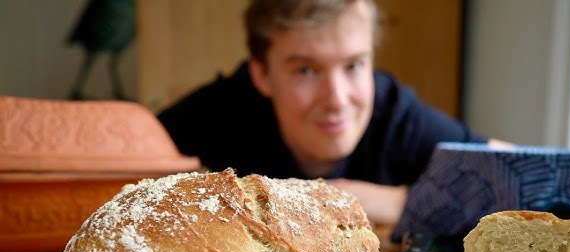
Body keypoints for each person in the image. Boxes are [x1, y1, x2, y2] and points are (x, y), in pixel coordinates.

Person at [157, 0, 506, 227]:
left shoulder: (395, 115)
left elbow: (534, 179)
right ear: (261, 74)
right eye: (306, 70)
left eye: (354, 65)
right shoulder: (218, 112)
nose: (337, 99)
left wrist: (404, 203)